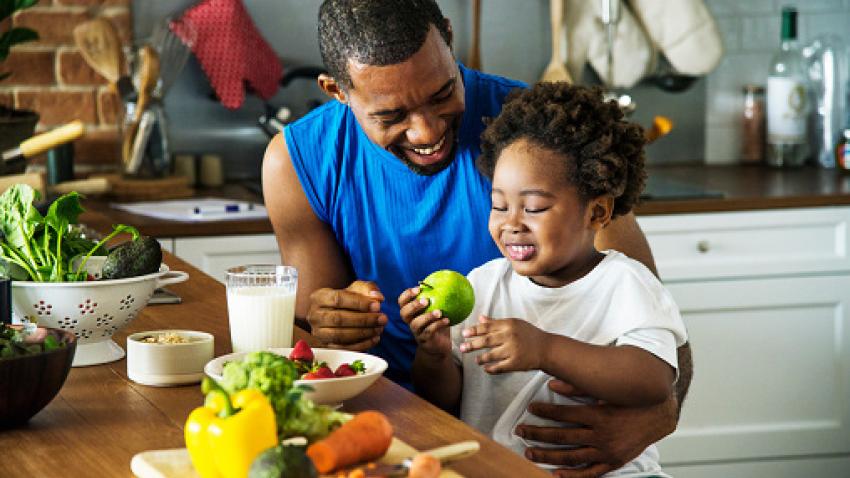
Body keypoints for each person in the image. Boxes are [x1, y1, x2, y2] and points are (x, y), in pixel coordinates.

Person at [262, 0, 693, 475]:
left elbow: (660, 332)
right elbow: (309, 348)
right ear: (336, 91)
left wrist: (657, 418)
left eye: (443, 92)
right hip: (391, 431)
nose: (427, 131)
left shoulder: (537, 136)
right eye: (391, 115)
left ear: (449, 37)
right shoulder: (297, 161)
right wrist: (331, 322)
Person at [398, 83, 687, 476]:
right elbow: (445, 397)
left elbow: (653, 380)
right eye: (499, 205)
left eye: (534, 207)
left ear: (597, 213)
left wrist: (544, 349)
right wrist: (432, 354)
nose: (511, 223)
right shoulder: (483, 286)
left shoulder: (624, 283)